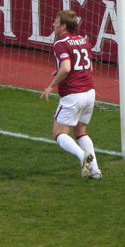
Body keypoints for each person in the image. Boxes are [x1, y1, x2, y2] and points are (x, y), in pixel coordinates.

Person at [42, 9, 102, 177]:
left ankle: (82, 156)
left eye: (56, 22)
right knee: (80, 132)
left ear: (63, 26)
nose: (53, 24)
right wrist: (61, 71)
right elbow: (89, 67)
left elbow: (67, 68)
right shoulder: (83, 40)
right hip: (89, 92)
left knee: (59, 133)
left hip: (73, 94)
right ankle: (95, 171)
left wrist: (51, 86)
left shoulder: (60, 43)